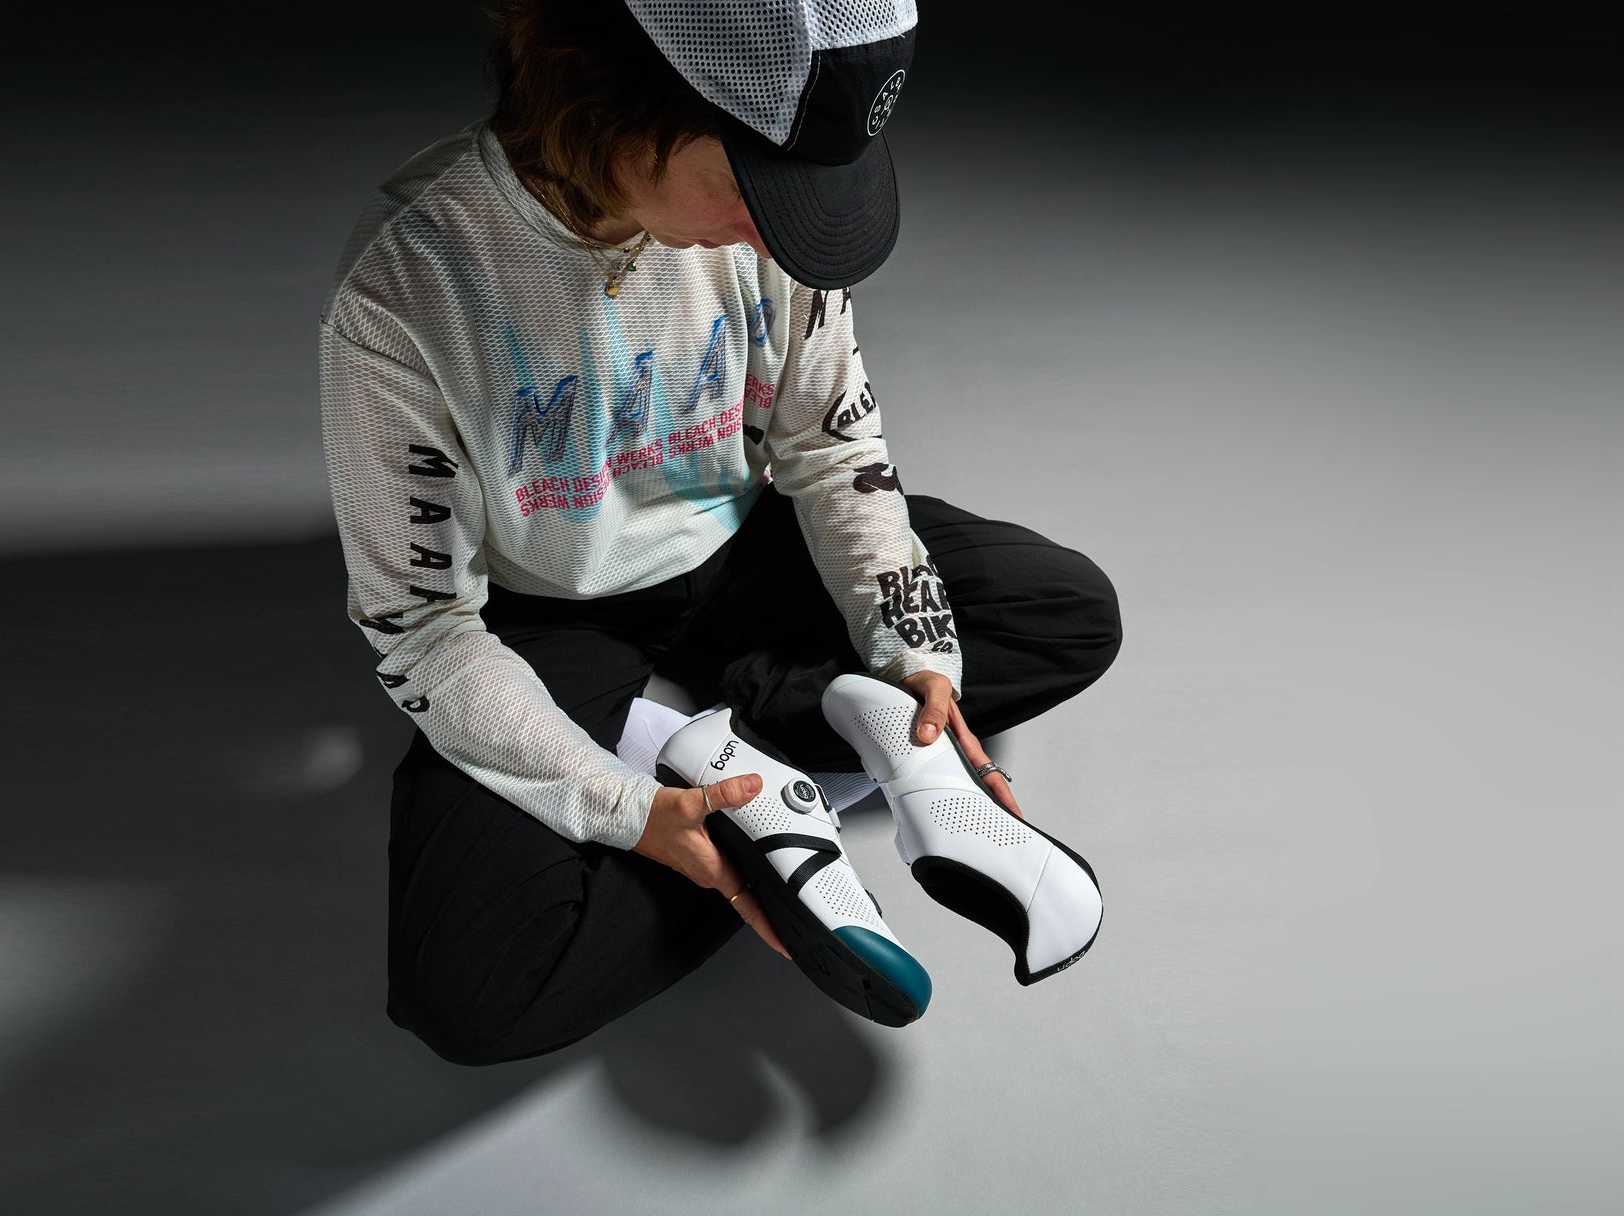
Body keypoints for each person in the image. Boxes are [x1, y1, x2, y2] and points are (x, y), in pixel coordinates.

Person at [317, 0, 1123, 1066]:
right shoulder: (408, 280)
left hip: (740, 552)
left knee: (1063, 612)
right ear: (619, 102)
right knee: (469, 993)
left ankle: (790, 745)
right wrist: (628, 810)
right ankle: (756, 797)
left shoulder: (766, 227)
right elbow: (424, 630)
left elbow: (831, 448)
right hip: (550, 614)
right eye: (757, 189)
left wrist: (914, 655)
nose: (772, 232)